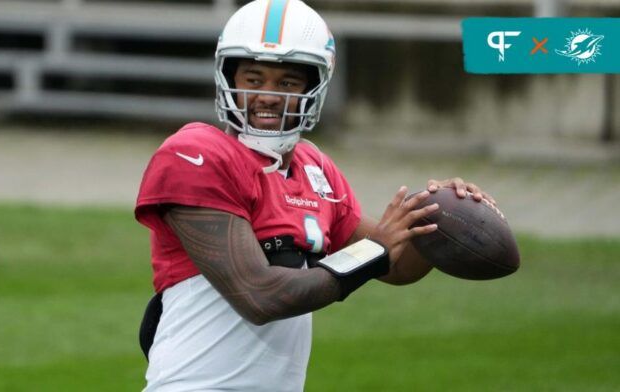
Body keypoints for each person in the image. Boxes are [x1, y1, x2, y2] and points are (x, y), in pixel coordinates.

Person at [135, 0, 495, 390]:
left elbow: (397, 266)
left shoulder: (313, 167)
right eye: (253, 79)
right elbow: (259, 295)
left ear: (315, 87)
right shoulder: (195, 153)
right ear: (228, 79)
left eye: (287, 83)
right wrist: (374, 253)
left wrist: (437, 213)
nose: (268, 96)